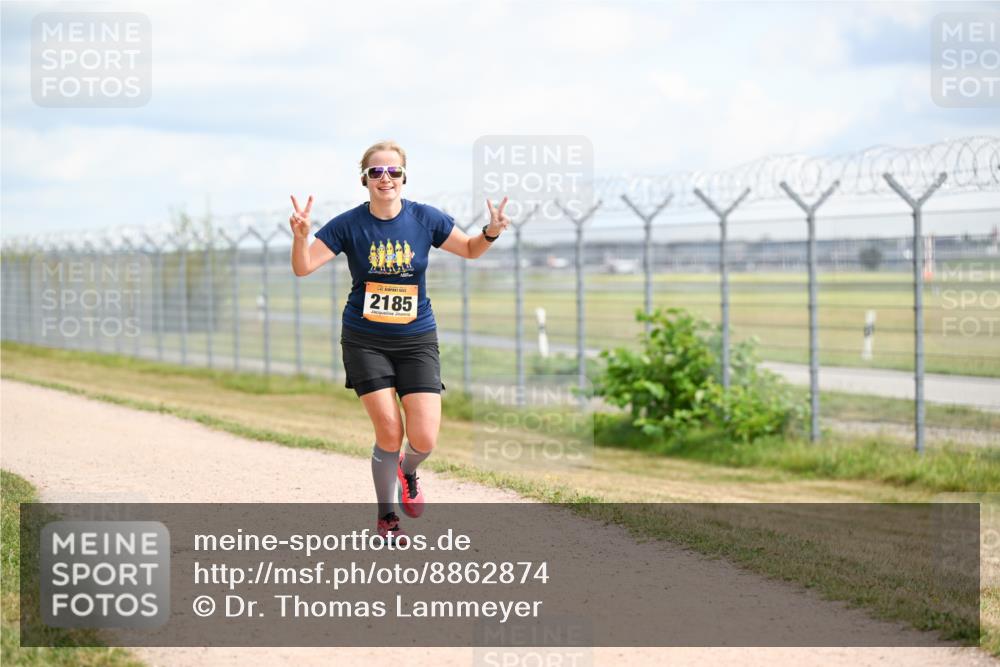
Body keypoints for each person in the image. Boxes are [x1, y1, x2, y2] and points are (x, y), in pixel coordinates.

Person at [289, 140, 511, 545]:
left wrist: (490, 233)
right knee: (389, 431)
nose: (385, 178)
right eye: (377, 172)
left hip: (416, 339)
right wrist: (301, 236)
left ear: (404, 177)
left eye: (393, 171)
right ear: (364, 180)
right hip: (364, 339)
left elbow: (470, 250)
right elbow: (303, 268)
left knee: (423, 438)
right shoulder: (348, 224)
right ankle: (387, 517)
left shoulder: (425, 219)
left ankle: (407, 471)